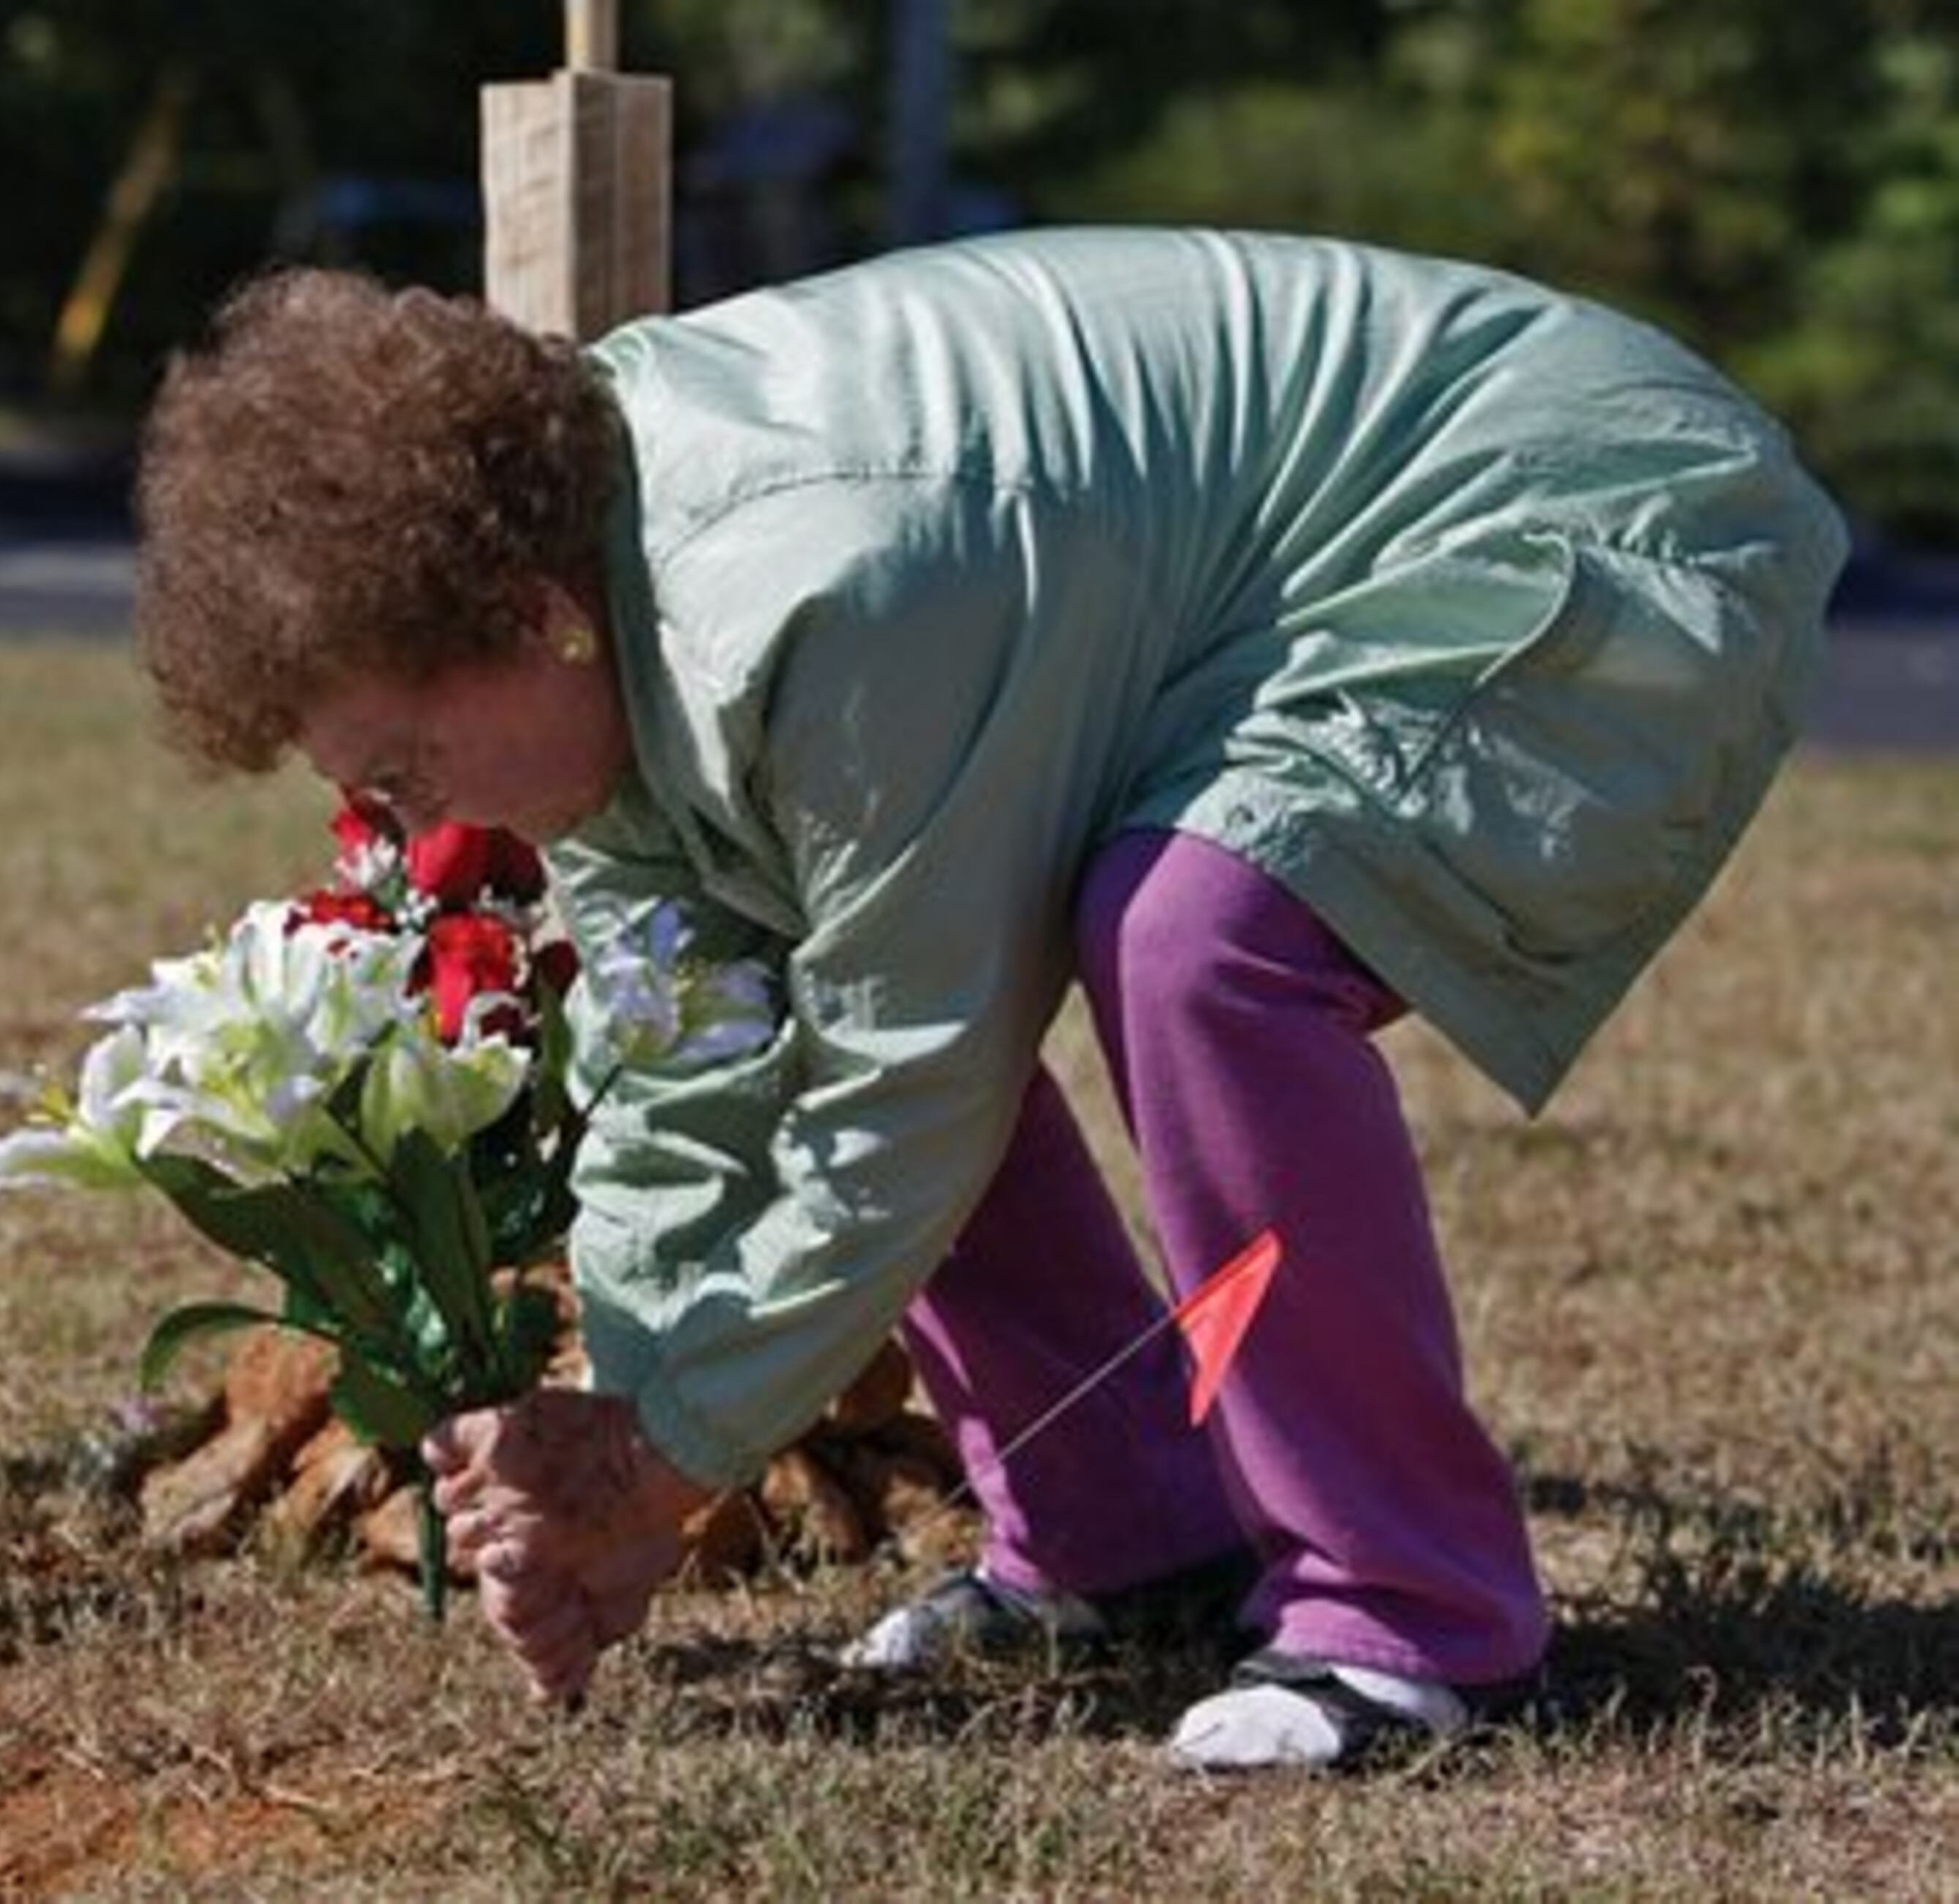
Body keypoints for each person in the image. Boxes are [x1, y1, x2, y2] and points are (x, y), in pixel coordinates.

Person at [128, 227, 1847, 1771]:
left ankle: (1415, 1617)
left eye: (411, 761)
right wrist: (617, 1436)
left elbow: (907, 1073)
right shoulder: (596, 642)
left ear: (528, 616)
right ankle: (1124, 1536)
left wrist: (669, 1455)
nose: (433, 822)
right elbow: (694, 1059)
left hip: (1577, 500)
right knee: (911, 961)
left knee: (1196, 943)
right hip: (1309, 574)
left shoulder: (820, 592)